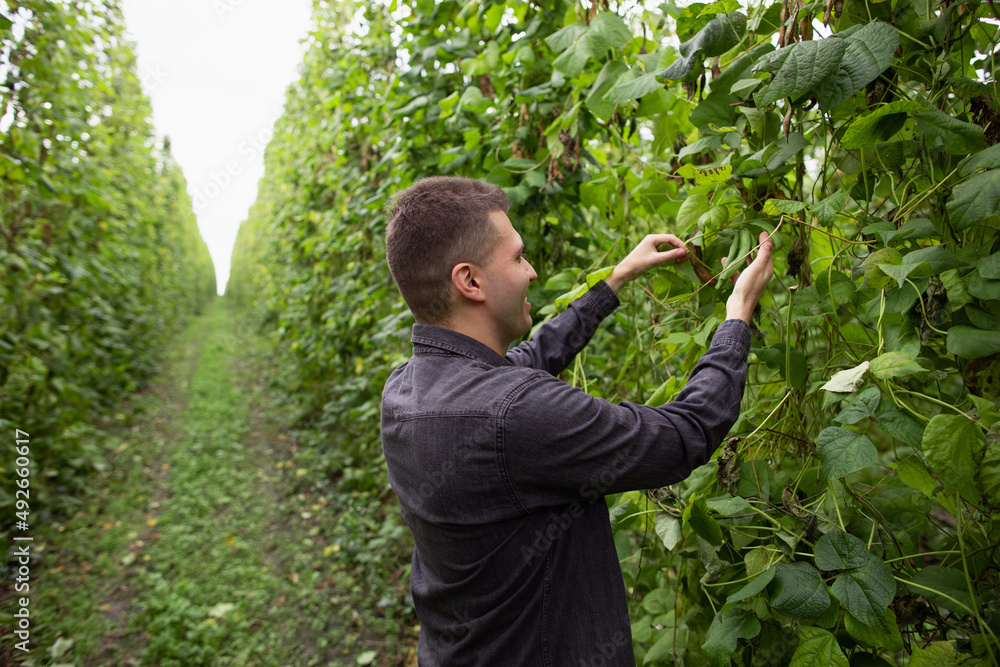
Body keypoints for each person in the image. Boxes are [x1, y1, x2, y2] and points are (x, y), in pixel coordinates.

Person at [380, 176, 774, 666]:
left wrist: (615, 281)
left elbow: (526, 360)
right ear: (471, 281)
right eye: (519, 257)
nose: (532, 271)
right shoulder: (517, 414)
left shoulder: (405, 388)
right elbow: (683, 435)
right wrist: (736, 319)